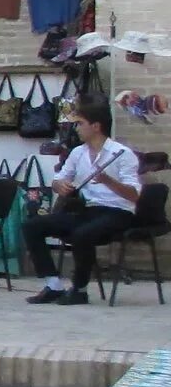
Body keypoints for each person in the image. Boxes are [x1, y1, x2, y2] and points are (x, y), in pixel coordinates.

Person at [24, 94, 141, 305]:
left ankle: (80, 289)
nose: (76, 128)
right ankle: (53, 284)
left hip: (118, 212)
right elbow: (59, 179)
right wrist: (59, 185)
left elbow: (134, 195)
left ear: (96, 126)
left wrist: (107, 181)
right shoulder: (78, 153)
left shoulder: (122, 154)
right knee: (32, 226)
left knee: (81, 234)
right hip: (91, 210)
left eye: (80, 123)